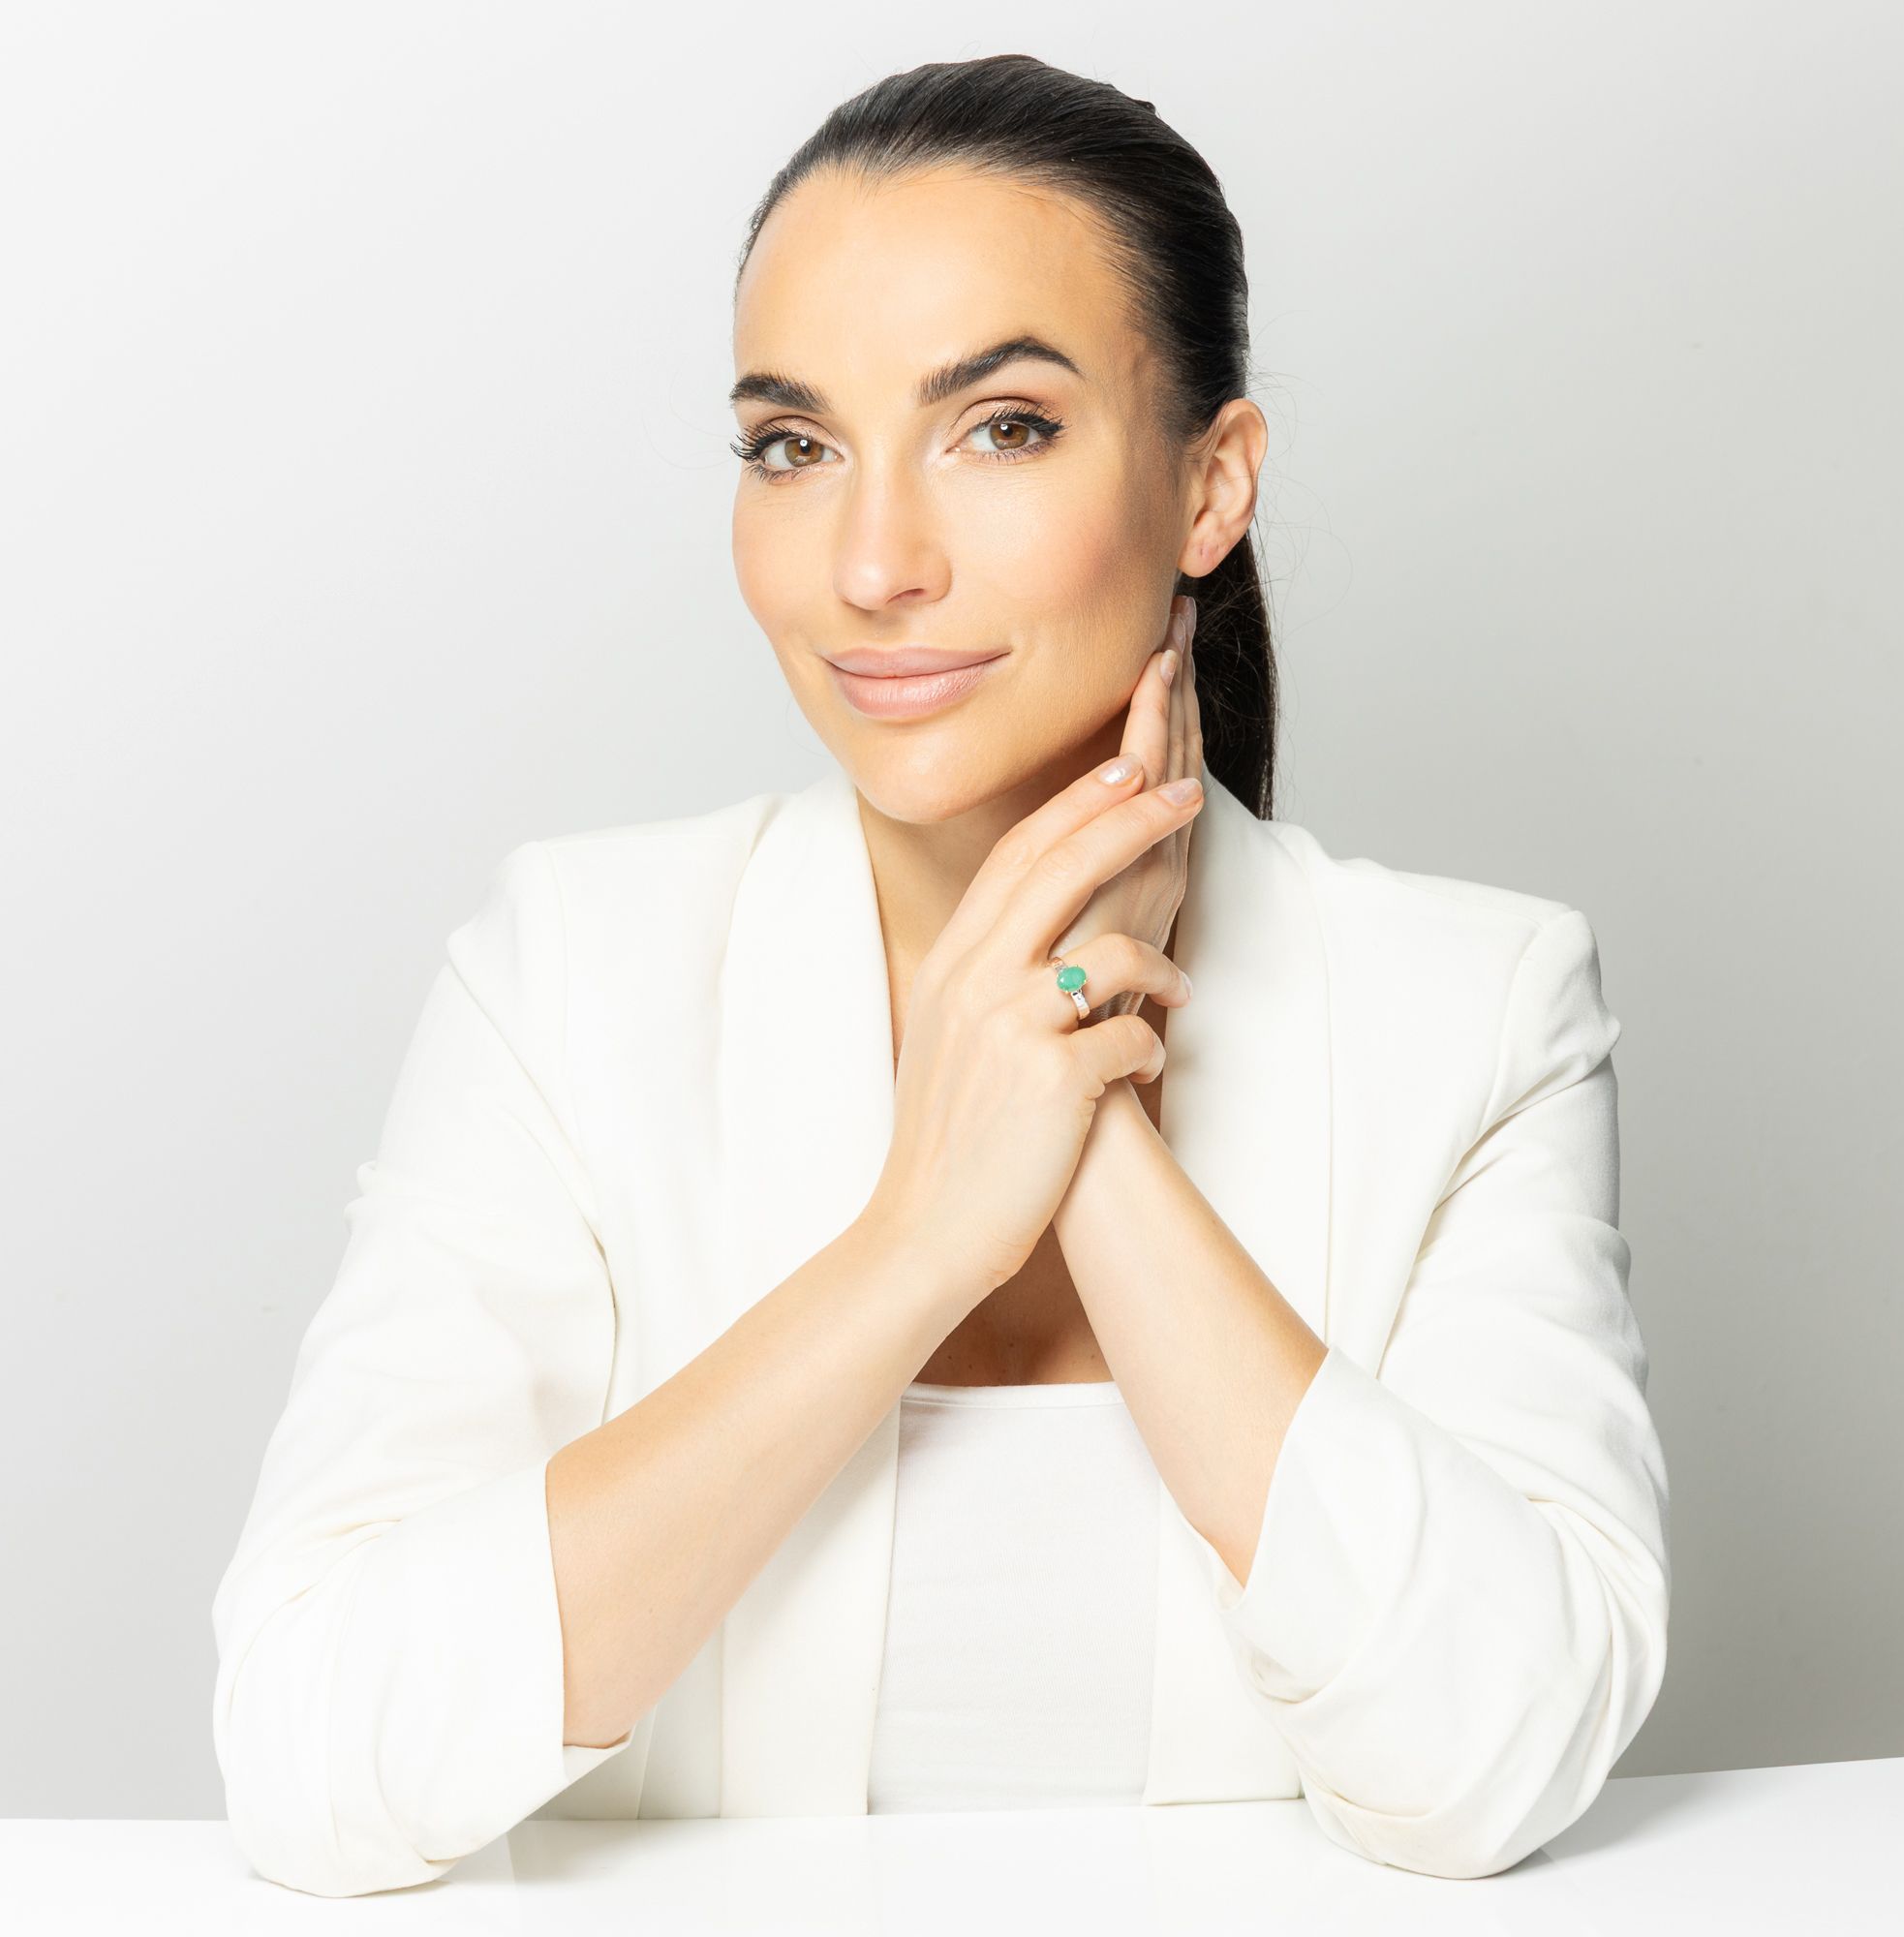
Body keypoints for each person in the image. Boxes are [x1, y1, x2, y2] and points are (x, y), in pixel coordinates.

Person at [210, 54, 1670, 1899]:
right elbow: (314, 1756)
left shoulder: (1475, 1008)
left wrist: (1084, 1113)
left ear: (1211, 484)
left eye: (1003, 428)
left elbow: (1491, 1759)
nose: (874, 562)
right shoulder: (573, 977)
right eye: (793, 447)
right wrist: (920, 1237)